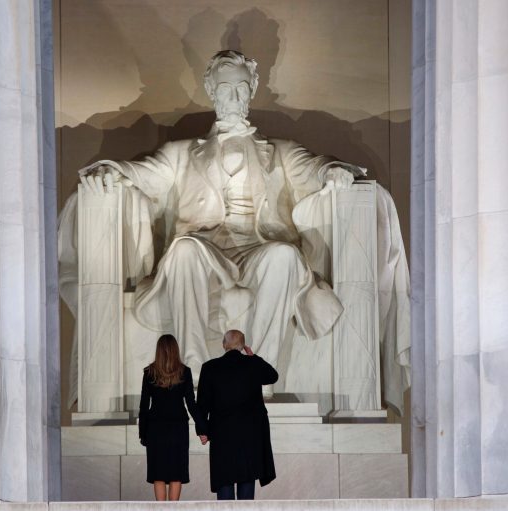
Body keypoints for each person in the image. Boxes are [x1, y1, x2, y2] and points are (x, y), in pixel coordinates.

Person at [77, 49, 363, 379]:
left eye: (241, 87)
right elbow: (144, 173)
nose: (234, 96)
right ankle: (198, 371)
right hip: (205, 249)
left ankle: (260, 373)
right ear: (212, 90)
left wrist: (335, 171)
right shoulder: (180, 153)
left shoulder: (281, 150)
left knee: (285, 255)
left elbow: (314, 166)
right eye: (226, 88)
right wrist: (113, 172)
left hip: (259, 249)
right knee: (183, 250)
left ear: (252, 89)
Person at [196, 329, 278, 500]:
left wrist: (203, 430)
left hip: (222, 436)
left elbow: (202, 404)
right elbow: (272, 376)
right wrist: (253, 356)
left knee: (224, 485)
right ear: (242, 346)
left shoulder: (210, 368)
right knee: (246, 487)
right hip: (250, 436)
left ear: (224, 345)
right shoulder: (253, 365)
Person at [138, 334, 208, 501]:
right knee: (176, 474)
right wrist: (204, 429)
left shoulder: (149, 373)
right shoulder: (185, 372)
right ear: (176, 350)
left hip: (156, 429)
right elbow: (191, 404)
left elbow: (143, 406)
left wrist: (143, 433)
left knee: (159, 475)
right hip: (178, 429)